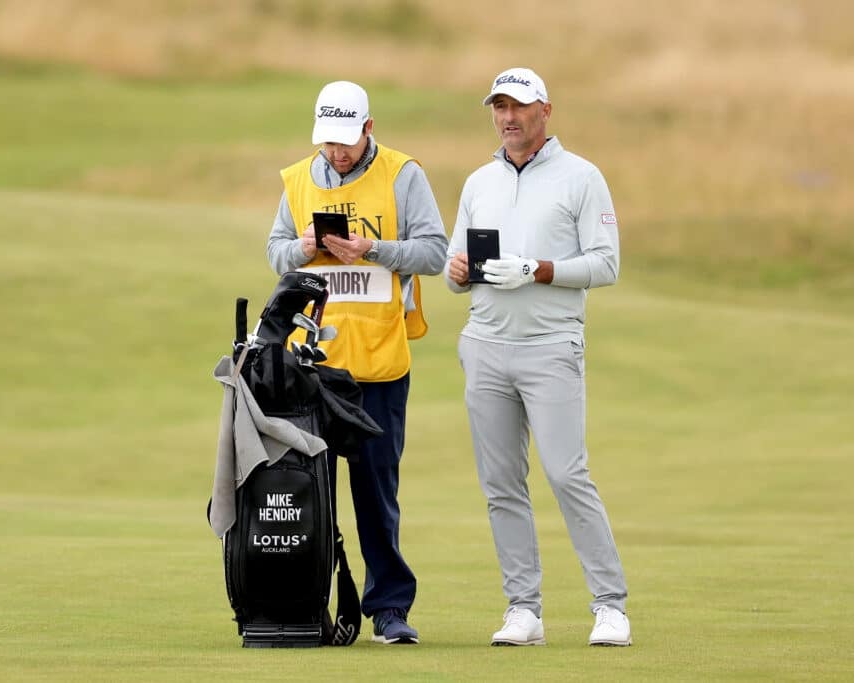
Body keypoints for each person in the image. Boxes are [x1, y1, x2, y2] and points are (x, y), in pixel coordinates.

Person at [444, 67, 632, 647]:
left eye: (519, 107)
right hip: (486, 345)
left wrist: (539, 270)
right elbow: (455, 270)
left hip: (551, 346)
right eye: (499, 107)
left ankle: (610, 606)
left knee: (566, 474)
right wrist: (456, 272)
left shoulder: (581, 178)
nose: (508, 117)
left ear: (544, 111)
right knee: (501, 483)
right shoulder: (479, 182)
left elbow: (606, 264)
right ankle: (523, 609)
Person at [267, 80, 448, 645]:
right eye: (328, 143)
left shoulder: (402, 174)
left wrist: (373, 250)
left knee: (375, 494)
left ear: (369, 129)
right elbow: (274, 251)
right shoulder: (298, 179)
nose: (336, 154)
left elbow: (435, 252)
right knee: (306, 492)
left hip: (379, 363)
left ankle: (389, 609)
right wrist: (300, 248)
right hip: (312, 365)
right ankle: (301, 606)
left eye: (345, 143)